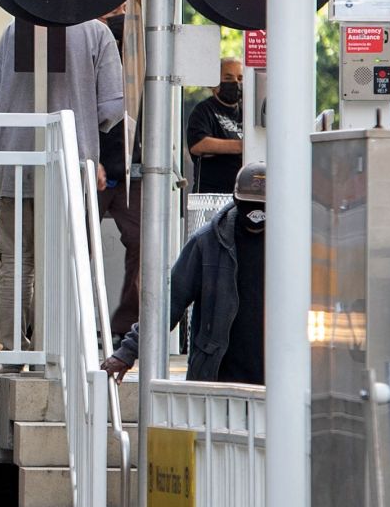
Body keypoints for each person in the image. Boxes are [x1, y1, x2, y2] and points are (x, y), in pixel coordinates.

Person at [0, 17, 124, 350]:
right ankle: (55, 349)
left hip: (14, 163)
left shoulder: (14, 28)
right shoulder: (96, 32)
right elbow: (112, 107)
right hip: (70, 165)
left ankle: (13, 350)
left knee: (16, 260)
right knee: (63, 259)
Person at [102, 163, 268, 386]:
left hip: (275, 380)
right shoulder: (209, 241)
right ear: (236, 200)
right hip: (217, 378)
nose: (255, 213)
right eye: (250, 204)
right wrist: (127, 351)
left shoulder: (295, 245)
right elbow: (169, 303)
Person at [95, 5, 144, 338]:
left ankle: (125, 325)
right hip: (93, 164)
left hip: (131, 170)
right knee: (77, 246)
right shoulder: (90, 39)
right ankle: (79, 319)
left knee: (144, 243)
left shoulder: (141, 51)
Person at [183, 58, 245, 197]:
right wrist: (241, 146)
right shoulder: (204, 111)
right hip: (211, 196)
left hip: (243, 196)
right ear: (214, 84)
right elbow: (199, 145)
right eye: (228, 78)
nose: (236, 83)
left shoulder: (247, 113)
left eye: (240, 78)